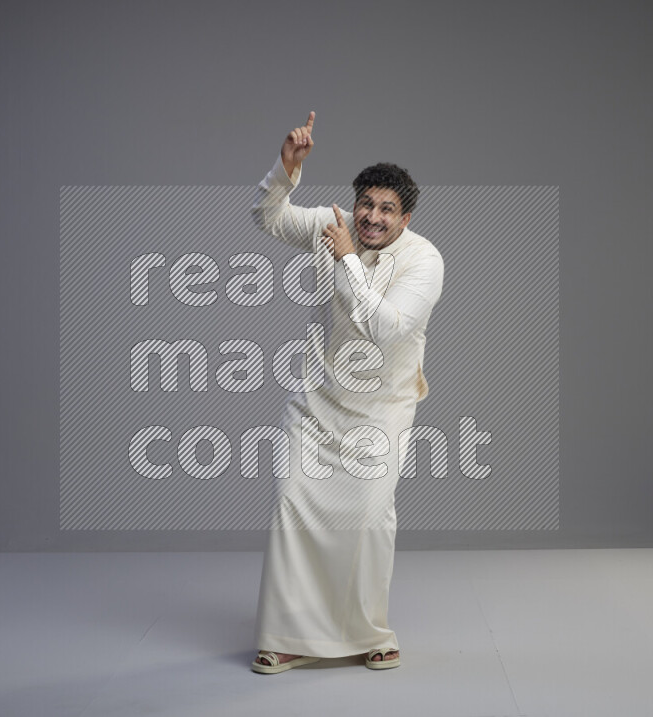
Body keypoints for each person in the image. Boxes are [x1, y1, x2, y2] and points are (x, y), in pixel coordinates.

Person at [250, 111, 445, 673]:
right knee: (291, 503)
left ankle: (367, 631)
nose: (372, 217)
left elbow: (385, 328)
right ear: (354, 202)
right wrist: (286, 170)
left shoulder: (425, 261)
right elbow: (267, 217)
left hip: (383, 407)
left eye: (387, 209)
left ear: (405, 217)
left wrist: (347, 262)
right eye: (366, 204)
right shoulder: (334, 224)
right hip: (317, 401)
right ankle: (285, 635)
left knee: (367, 512)